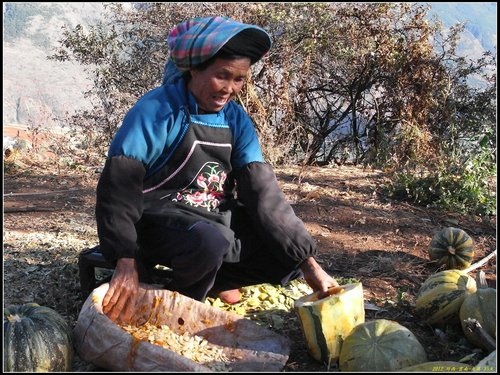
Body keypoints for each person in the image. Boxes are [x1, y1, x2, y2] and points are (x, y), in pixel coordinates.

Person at [95, 16, 339, 323]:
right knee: (209, 243)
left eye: (239, 79)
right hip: (155, 219)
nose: (230, 89)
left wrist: (309, 263)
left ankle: (206, 283)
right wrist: (124, 257)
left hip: (211, 216)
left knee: (285, 252)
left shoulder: (236, 120)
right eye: (221, 76)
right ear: (194, 69)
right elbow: (119, 187)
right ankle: (180, 306)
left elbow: (262, 193)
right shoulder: (158, 110)